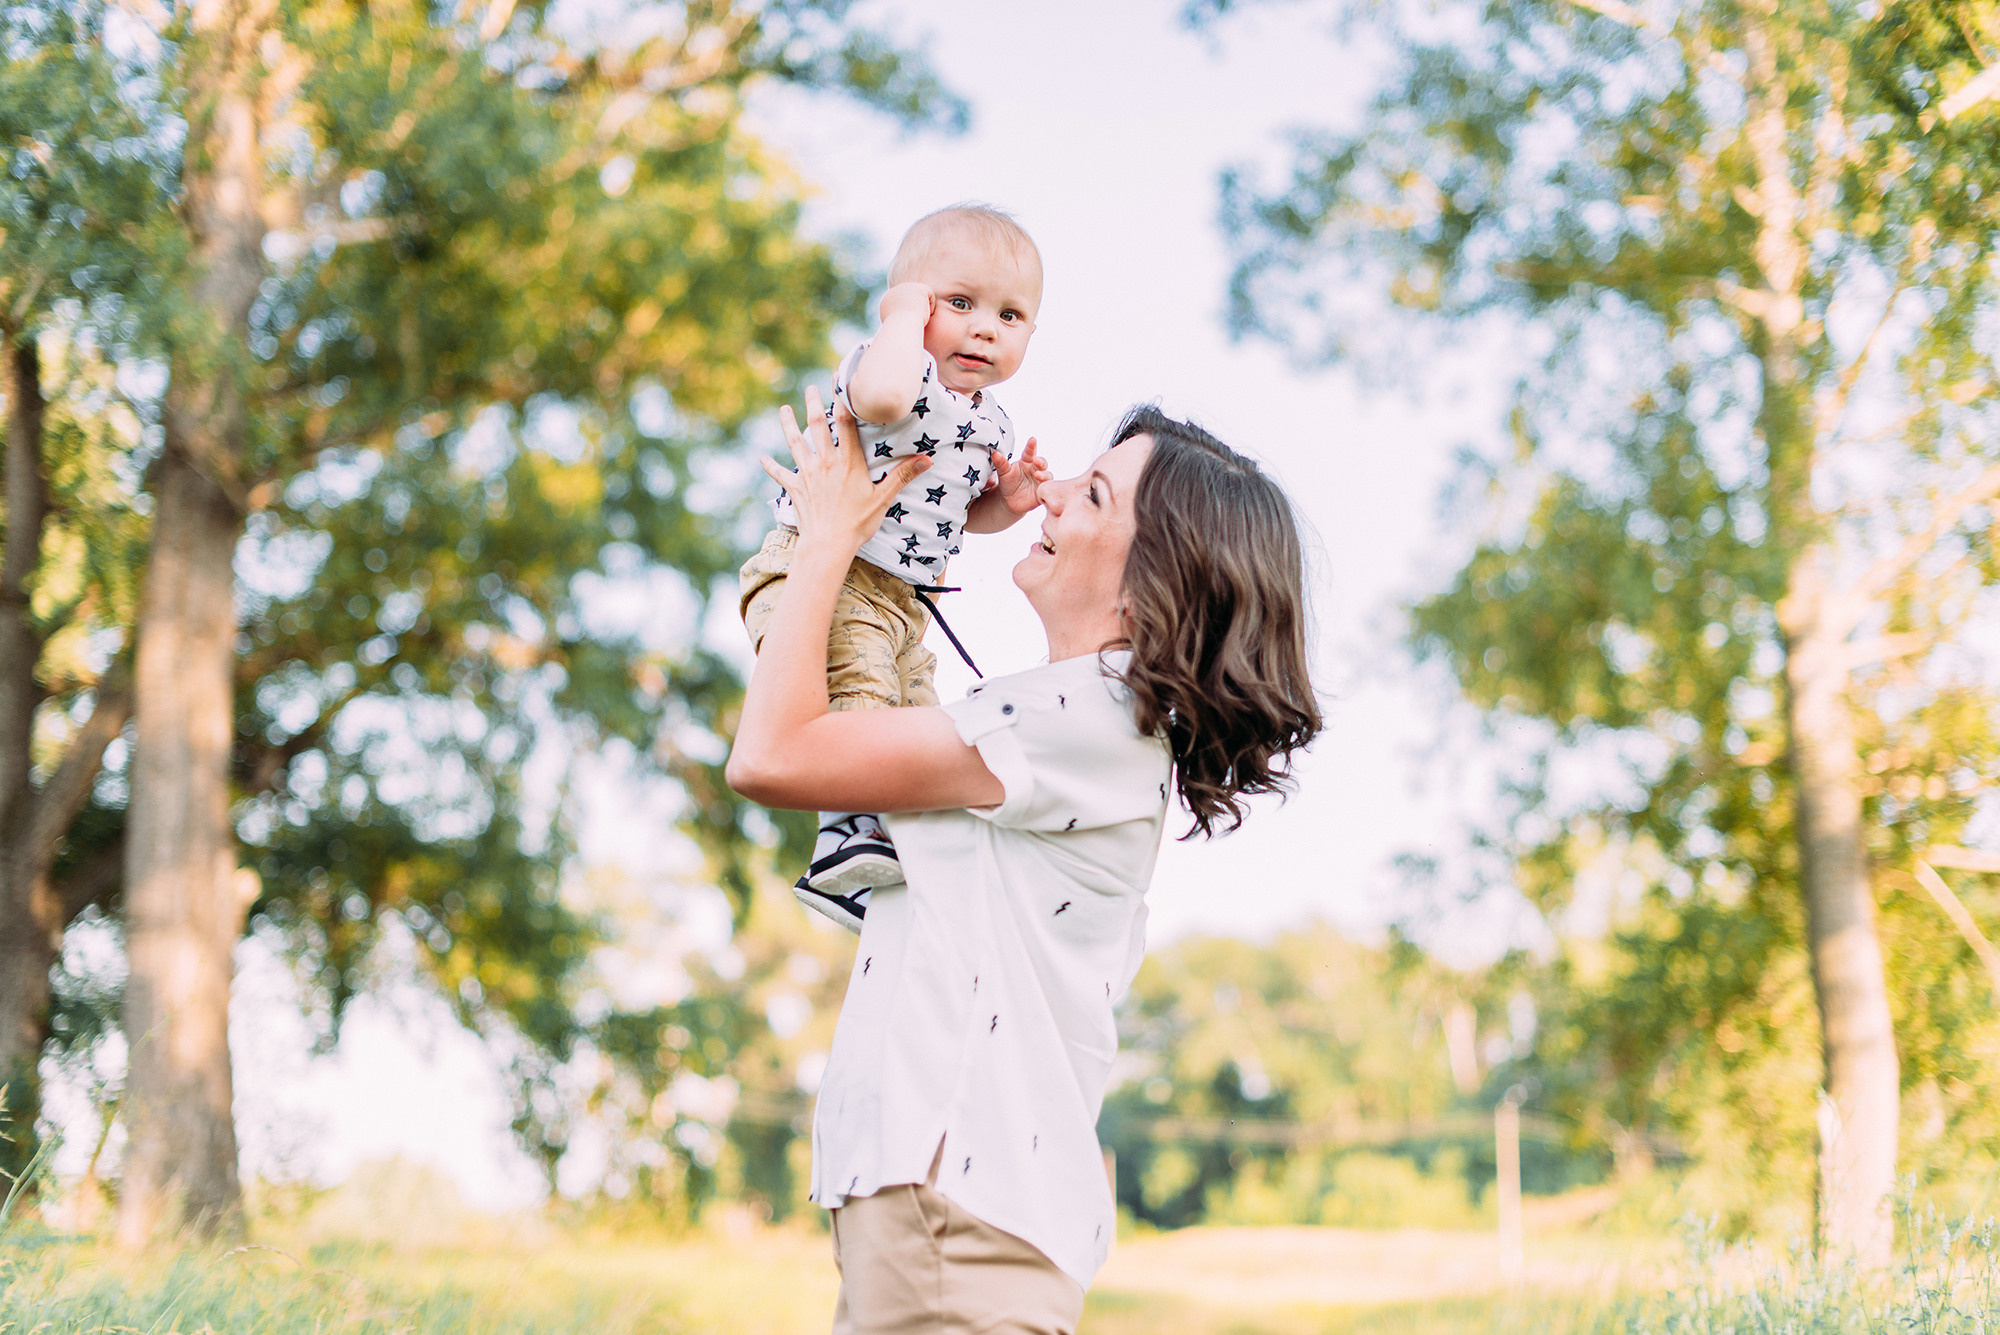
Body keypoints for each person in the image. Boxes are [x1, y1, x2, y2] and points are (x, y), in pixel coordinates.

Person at [726, 386, 1321, 1335]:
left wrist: (830, 536)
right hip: (943, 1214)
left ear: (1150, 586)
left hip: (954, 1219)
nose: (1049, 497)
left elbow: (774, 754)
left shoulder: (1082, 718)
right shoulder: (1064, 723)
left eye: (1091, 497)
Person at [739, 204, 1052, 930]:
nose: (984, 327)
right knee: (863, 696)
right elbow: (880, 400)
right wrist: (903, 317)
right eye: (961, 303)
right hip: (824, 574)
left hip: (902, 601)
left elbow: (958, 511)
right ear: (907, 306)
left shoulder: (990, 420)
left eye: (1011, 316)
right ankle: (841, 846)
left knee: (918, 723)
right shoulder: (891, 367)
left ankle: (904, 857)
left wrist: (1007, 501)